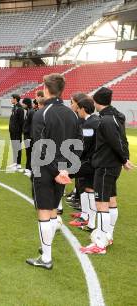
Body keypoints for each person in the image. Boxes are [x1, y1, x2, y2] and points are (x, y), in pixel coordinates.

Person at [26, 73, 81, 269]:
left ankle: (46, 257)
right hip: (62, 170)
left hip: (46, 170)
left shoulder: (42, 113)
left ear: (46, 89)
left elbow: (40, 147)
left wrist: (57, 170)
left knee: (44, 211)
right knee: (51, 211)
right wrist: (66, 170)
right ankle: (46, 248)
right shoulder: (71, 114)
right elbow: (78, 145)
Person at [81, 87, 133, 255]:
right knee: (111, 201)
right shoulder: (115, 116)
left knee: (102, 204)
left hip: (105, 166)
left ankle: (100, 243)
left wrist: (124, 159)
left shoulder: (107, 120)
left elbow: (116, 142)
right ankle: (108, 235)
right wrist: (124, 159)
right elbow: (122, 140)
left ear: (97, 102)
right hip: (112, 165)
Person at [68, 97, 99, 230]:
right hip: (92, 161)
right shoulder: (94, 120)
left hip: (89, 162)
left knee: (87, 188)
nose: (78, 111)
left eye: (79, 108)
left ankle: (89, 220)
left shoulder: (89, 124)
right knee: (85, 187)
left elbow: (84, 146)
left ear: (84, 109)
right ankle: (85, 215)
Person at [7, 94, 24, 171]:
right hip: (13, 131)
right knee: (14, 147)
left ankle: (19, 164)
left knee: (17, 147)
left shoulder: (19, 108)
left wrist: (18, 131)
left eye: (12, 98)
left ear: (15, 99)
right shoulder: (14, 107)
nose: (11, 100)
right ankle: (15, 162)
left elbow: (21, 121)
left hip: (17, 132)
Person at [22, 97, 34, 177]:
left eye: (23, 103)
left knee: (30, 153)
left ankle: (30, 169)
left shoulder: (31, 112)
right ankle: (27, 168)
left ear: (27, 104)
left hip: (29, 136)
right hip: (26, 135)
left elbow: (32, 125)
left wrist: (30, 136)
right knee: (27, 152)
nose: (22, 105)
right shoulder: (28, 111)